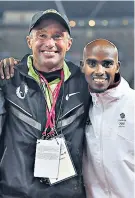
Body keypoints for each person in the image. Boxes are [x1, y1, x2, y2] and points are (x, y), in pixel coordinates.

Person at [0, 9, 90, 198]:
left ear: (69, 43)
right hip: (16, 193)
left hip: (68, 194)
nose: (50, 43)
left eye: (58, 36)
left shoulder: (84, 82)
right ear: (29, 41)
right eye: (42, 35)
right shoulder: (8, 78)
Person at [81, 39, 134, 198]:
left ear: (117, 66)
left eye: (107, 64)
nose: (99, 70)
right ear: (82, 65)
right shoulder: (82, 104)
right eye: (92, 63)